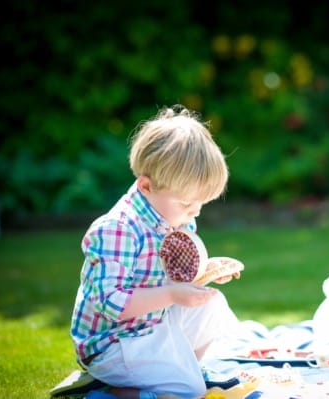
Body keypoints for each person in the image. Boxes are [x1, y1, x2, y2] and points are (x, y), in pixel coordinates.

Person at [68, 105, 243, 399]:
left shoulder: (172, 215)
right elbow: (111, 303)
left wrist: (207, 270)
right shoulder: (117, 229)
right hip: (112, 343)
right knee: (189, 391)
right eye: (187, 204)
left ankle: (182, 369)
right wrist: (174, 294)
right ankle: (113, 391)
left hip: (149, 325)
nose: (194, 212)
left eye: (201, 203)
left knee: (211, 305)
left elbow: (173, 274)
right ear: (146, 186)